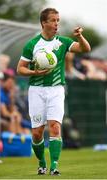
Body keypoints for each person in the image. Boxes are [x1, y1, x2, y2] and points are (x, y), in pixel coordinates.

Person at [17, 8, 91, 175]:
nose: (56, 23)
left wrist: (79, 36)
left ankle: (54, 166)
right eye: (53, 20)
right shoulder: (32, 44)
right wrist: (34, 72)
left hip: (56, 90)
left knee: (55, 127)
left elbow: (85, 49)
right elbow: (20, 69)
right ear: (44, 23)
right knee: (37, 133)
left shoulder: (63, 42)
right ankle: (42, 163)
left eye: (58, 20)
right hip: (36, 90)